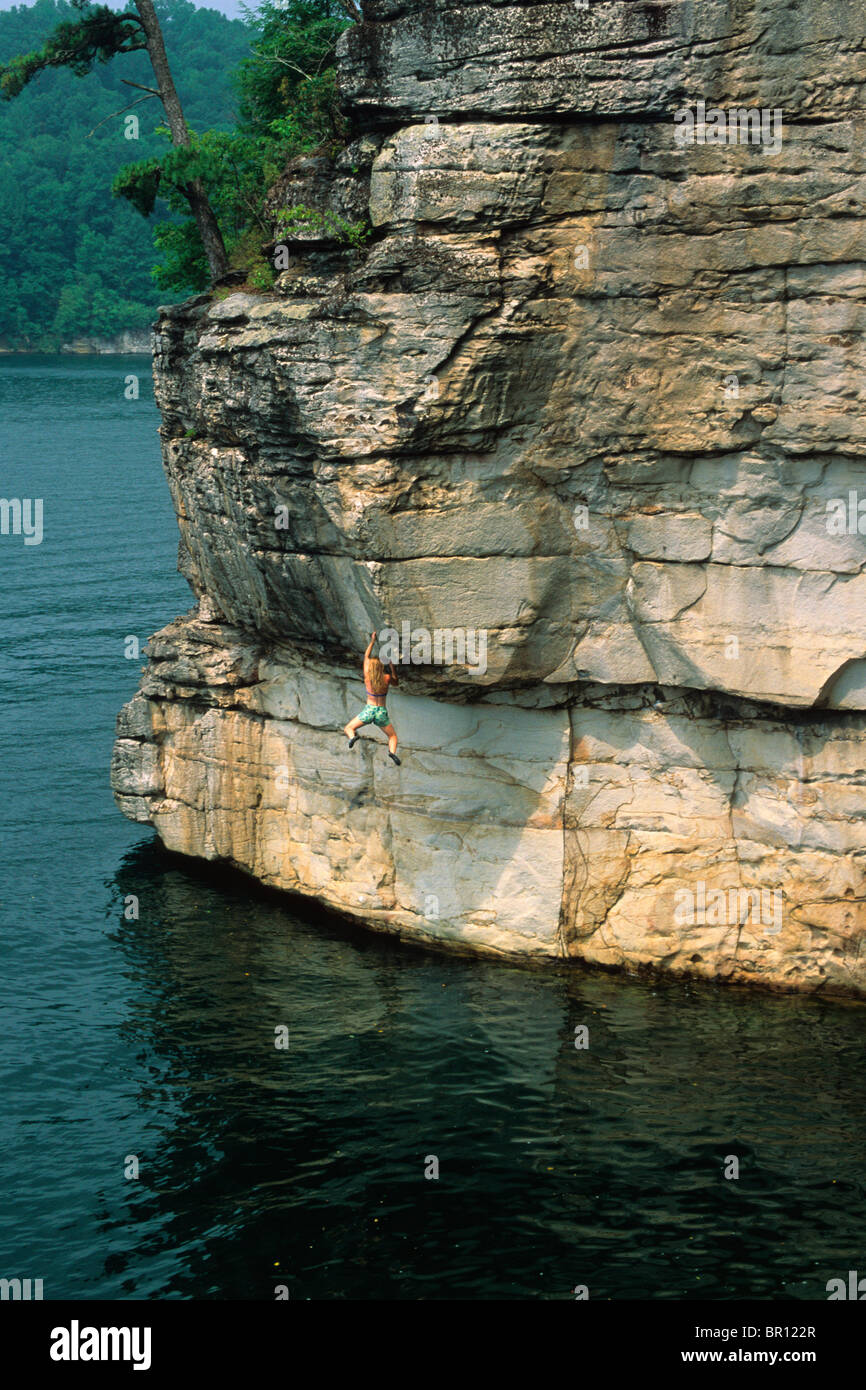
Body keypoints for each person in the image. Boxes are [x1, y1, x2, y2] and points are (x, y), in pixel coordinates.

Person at [343, 631, 401, 764]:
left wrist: (372, 641)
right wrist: (391, 665)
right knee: (392, 736)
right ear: (381, 667)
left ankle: (352, 738)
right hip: (381, 711)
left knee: (349, 728)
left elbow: (366, 657)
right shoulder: (386, 678)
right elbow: (396, 682)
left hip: (369, 710)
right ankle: (392, 753)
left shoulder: (367, 678)